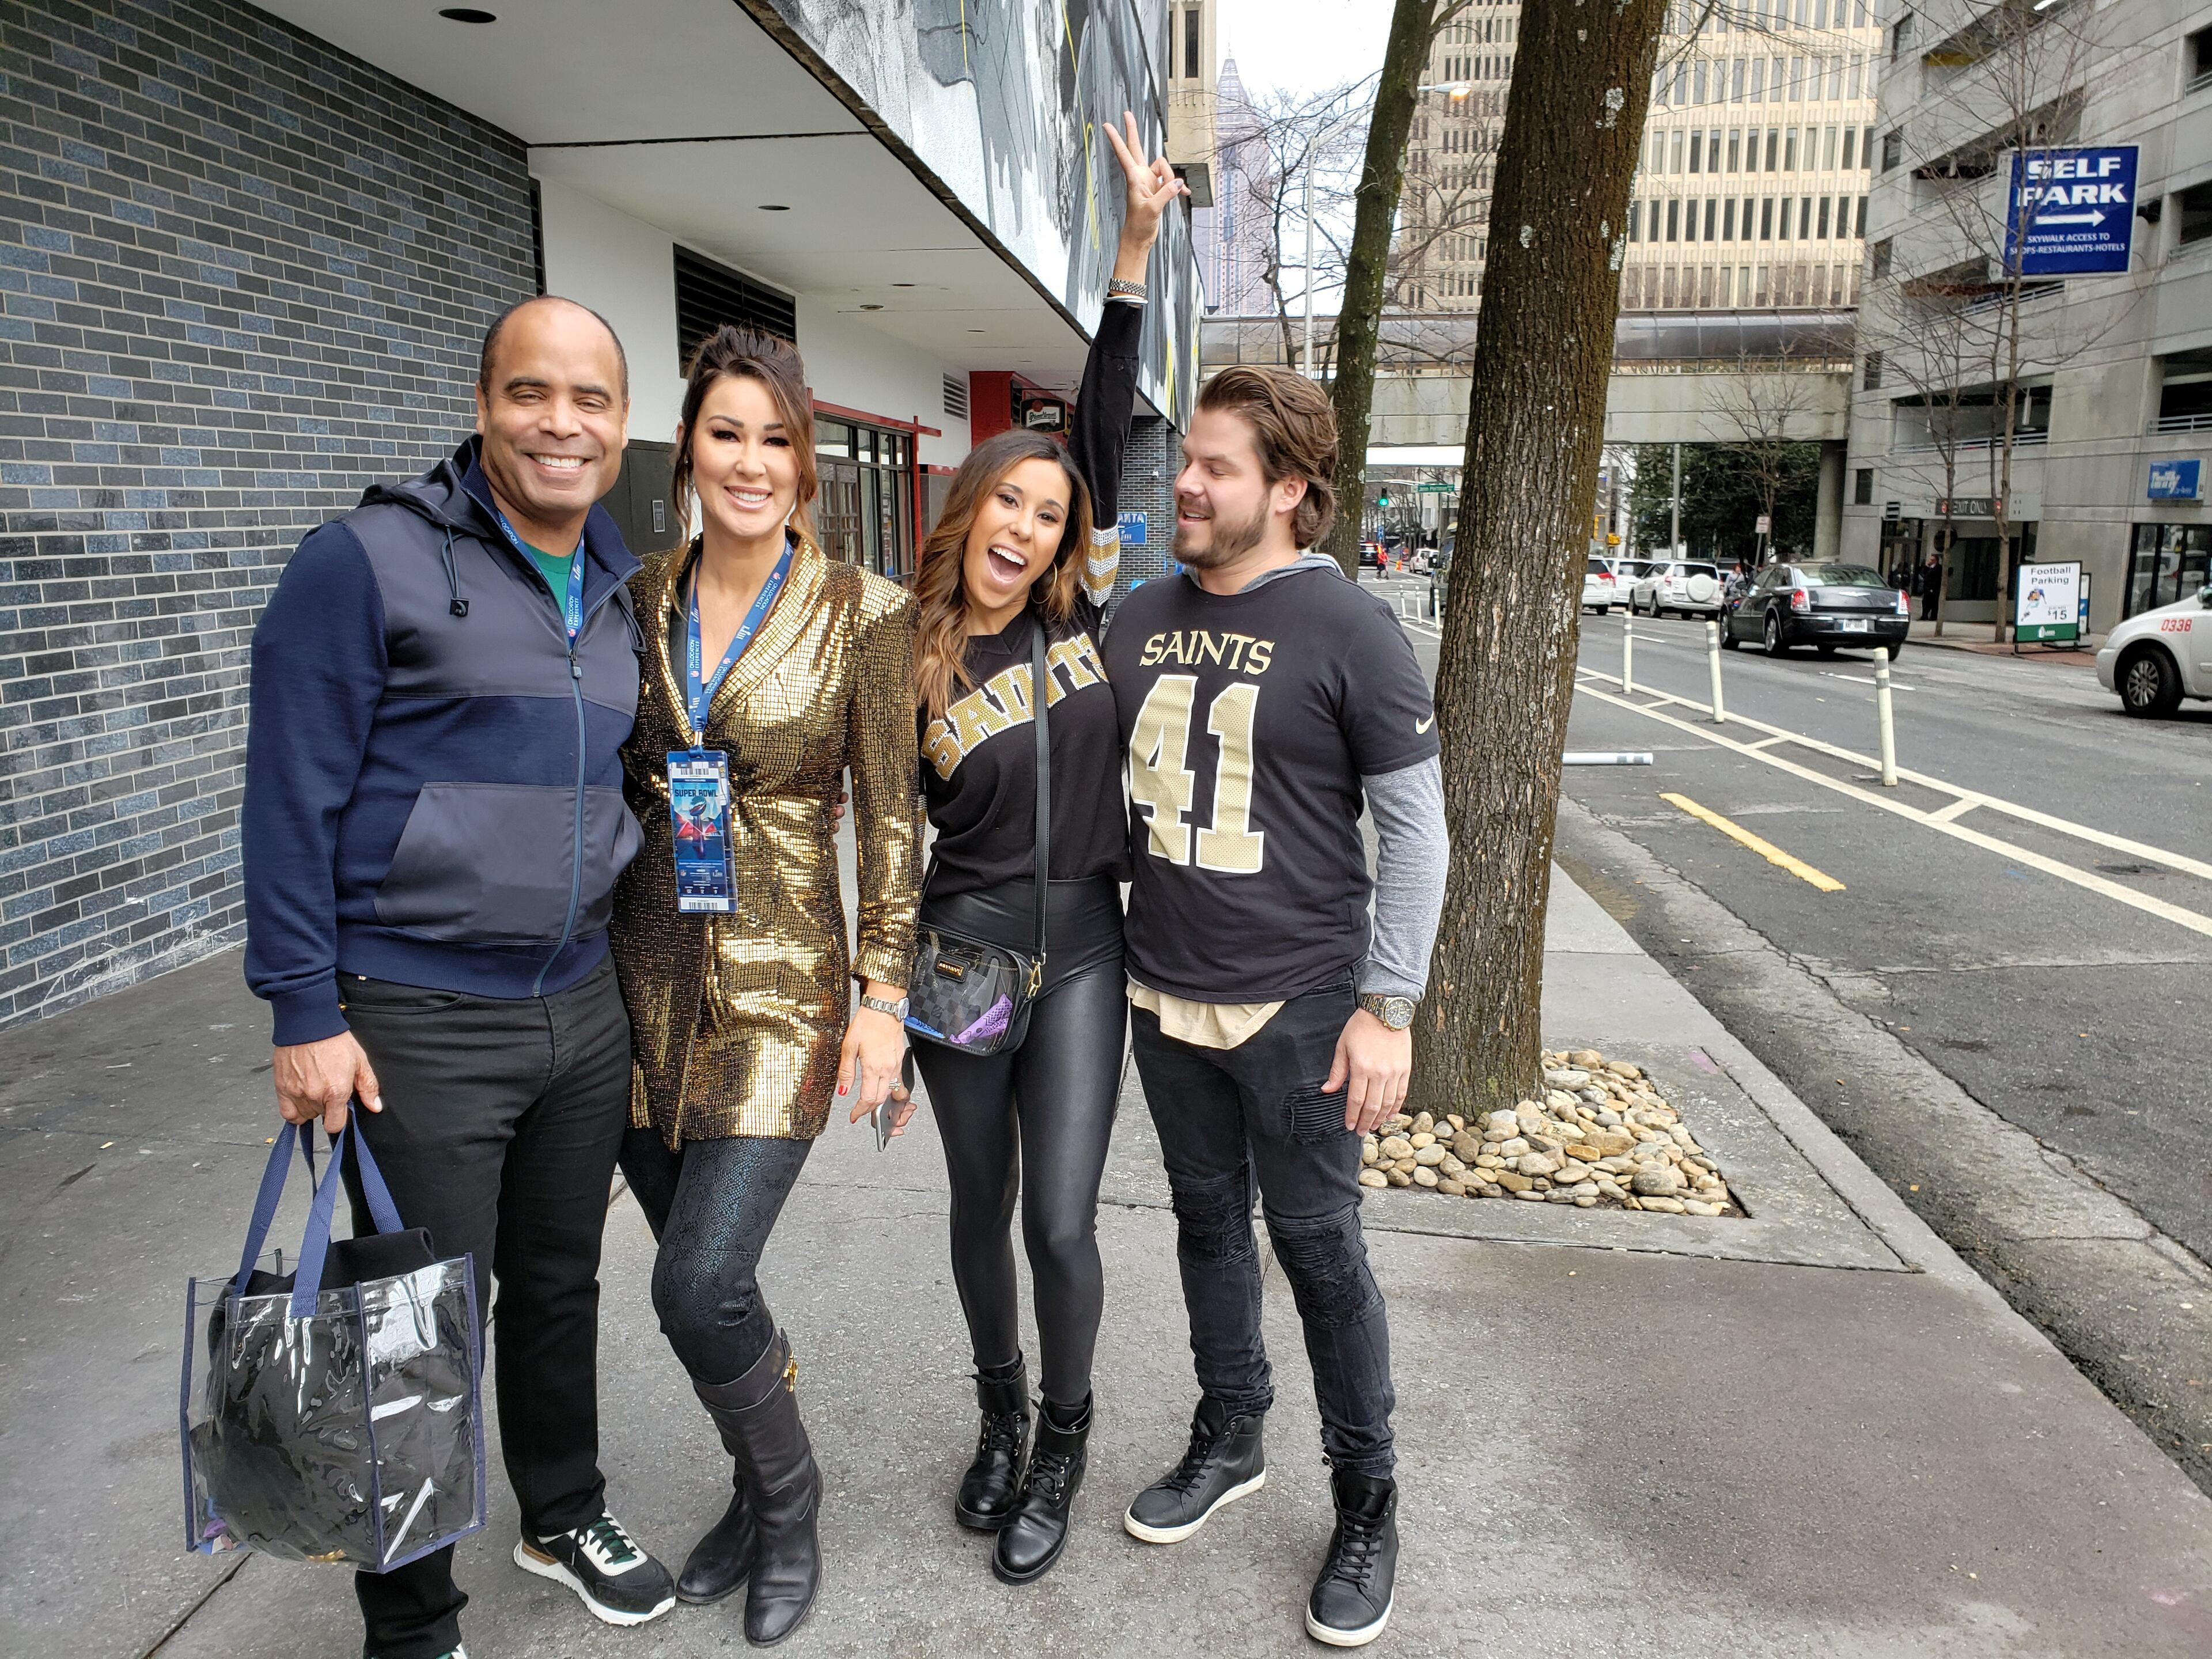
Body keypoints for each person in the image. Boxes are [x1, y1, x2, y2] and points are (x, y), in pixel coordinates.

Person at [243, 295, 677, 1659]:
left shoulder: (616, 590)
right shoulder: (364, 561)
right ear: (484, 405)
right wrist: (304, 1008)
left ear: (622, 425)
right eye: (532, 394)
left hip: (578, 1004)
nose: (563, 423)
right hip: (413, 1018)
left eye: (591, 400)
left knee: (559, 1283)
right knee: (411, 1324)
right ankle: (415, 1618)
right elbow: (288, 795)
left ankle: (564, 1511)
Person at [1103, 366, 1447, 1649]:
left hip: (1302, 1008)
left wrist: (1389, 1007)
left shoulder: (1352, 628)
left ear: (1291, 490)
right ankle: (1232, 1430)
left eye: (1218, 467)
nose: (1187, 482)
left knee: (1319, 1254)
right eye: (1185, 460)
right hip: (1162, 988)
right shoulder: (1138, 616)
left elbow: (1417, 834)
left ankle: (1367, 1497)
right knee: (1204, 1227)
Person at [607, 324, 921, 1646]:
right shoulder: (630, 598)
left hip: (789, 986)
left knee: (695, 1283)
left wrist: (883, 1000)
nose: (749, 460)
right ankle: (752, 1486)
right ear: (689, 447)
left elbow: (895, 821)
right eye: (725, 433)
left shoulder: (868, 612)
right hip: (640, 983)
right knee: (705, 1282)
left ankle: (789, 1507)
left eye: (776, 439)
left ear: (806, 463)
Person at [906, 115, 1183, 1587]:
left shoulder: (1078, 616)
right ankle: (999, 1420)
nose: (1030, 521)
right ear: (970, 512)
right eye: (1009, 501)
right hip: (956, 953)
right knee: (978, 1208)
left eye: (1052, 508)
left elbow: (1100, 413)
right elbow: (882, 842)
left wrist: (1132, 251)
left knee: (1063, 1220)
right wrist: (869, 1015)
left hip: (1080, 941)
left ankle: (1065, 1439)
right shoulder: (905, 656)